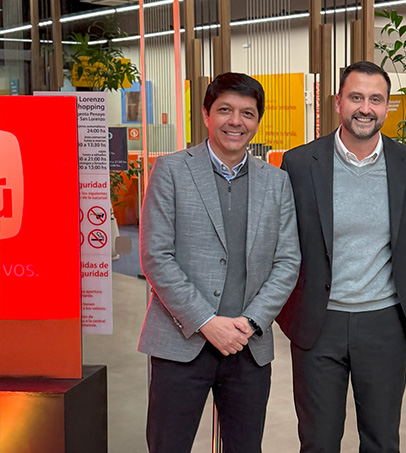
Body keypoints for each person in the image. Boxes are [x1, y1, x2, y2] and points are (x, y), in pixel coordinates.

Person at [137, 72, 301, 452]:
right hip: (181, 341)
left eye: (247, 113)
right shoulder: (171, 170)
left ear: (257, 121)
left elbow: (288, 261)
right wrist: (207, 322)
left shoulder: (276, 182)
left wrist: (250, 322)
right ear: (206, 114)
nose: (235, 121)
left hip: (248, 346)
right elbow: (155, 256)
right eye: (225, 110)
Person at [276, 61, 406, 452]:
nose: (365, 108)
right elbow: (283, 241)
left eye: (376, 99)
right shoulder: (299, 164)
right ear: (337, 102)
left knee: (382, 440)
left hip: (384, 322)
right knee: (318, 441)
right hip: (318, 322)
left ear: (387, 106)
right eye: (356, 97)